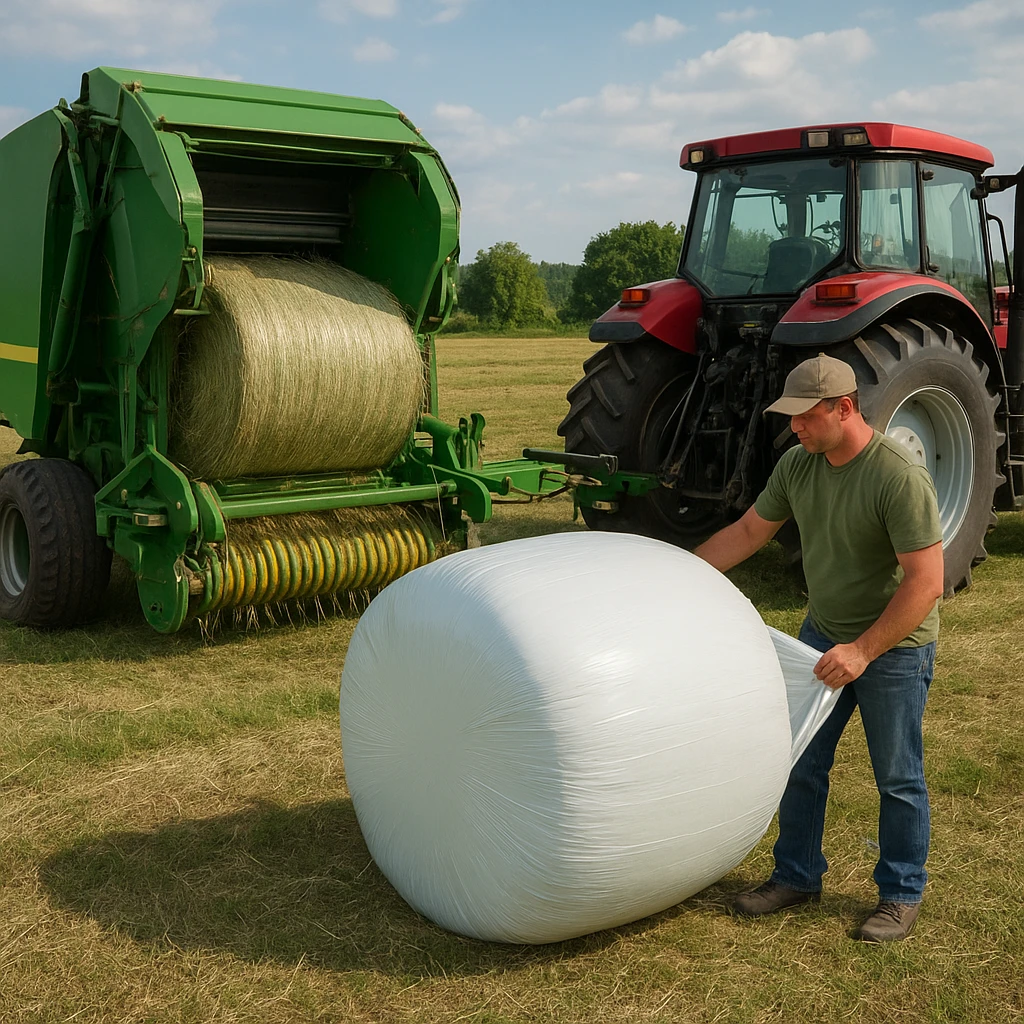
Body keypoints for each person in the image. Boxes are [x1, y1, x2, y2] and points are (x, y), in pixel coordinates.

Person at [694, 352, 944, 943]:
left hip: (894, 647)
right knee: (802, 759)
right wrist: (683, 573)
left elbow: (926, 583)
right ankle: (797, 876)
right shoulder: (796, 466)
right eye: (792, 418)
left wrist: (862, 650)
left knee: (898, 776)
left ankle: (901, 892)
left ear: (845, 408)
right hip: (822, 635)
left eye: (806, 417)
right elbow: (750, 532)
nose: (795, 427)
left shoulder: (897, 476)